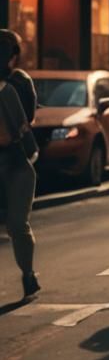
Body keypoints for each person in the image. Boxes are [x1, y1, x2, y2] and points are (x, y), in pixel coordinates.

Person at [0, 30, 40, 300]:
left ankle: (28, 274)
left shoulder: (13, 87)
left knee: (16, 224)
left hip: (15, 163)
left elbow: (27, 126)